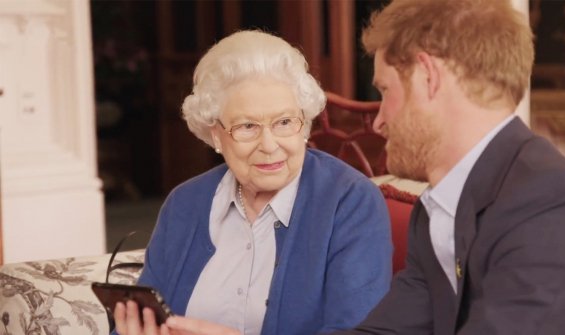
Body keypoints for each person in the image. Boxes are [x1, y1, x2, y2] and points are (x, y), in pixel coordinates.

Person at [160, 0, 565, 334]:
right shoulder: (442, 209)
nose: (378, 120)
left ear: (428, 77)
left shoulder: (556, 208)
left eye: (384, 90)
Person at [112, 30, 393, 335]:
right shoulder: (185, 204)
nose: (269, 145)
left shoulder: (349, 202)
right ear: (216, 134)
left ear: (305, 123)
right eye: (247, 126)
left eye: (284, 122)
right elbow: (144, 316)